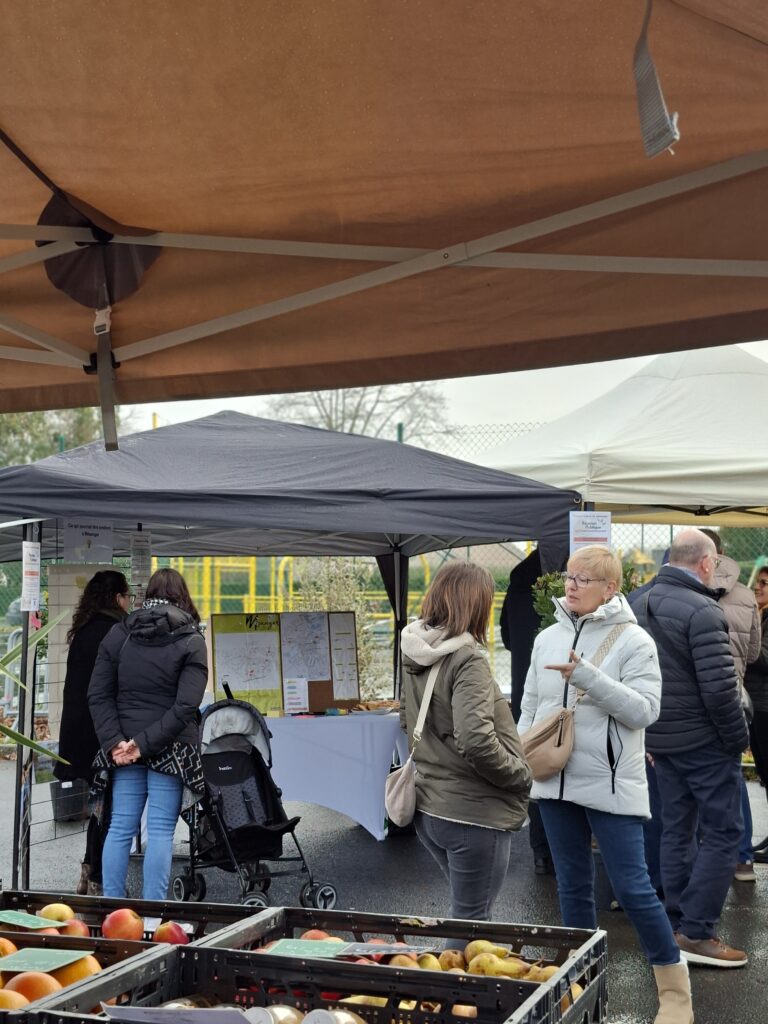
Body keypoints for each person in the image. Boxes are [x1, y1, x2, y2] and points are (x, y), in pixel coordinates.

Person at [519, 545, 693, 1024]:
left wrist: (588, 677)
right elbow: (530, 707)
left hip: (611, 785)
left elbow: (645, 711)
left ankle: (675, 996)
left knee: (633, 889)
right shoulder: (547, 638)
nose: (571, 585)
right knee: (572, 888)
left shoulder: (634, 640)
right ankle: (583, 992)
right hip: (553, 783)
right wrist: (520, 752)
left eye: (583, 579)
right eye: (569, 576)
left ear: (610, 588)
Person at [633, 529, 749, 968]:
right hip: (705, 742)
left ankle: (676, 925)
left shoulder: (636, 603)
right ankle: (697, 932)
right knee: (723, 832)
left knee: (676, 829)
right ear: (706, 563)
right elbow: (720, 692)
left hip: (660, 739)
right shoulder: (703, 609)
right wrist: (738, 740)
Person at [399, 561, 531, 943]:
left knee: (466, 915)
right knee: (471, 922)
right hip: (472, 813)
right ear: (477, 605)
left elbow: (408, 721)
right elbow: (475, 740)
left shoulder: (416, 649)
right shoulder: (468, 659)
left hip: (430, 806)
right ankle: (451, 982)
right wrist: (519, 774)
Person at [88, 567, 208, 900]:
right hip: (171, 748)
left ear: (147, 595)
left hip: (124, 748)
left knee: (120, 827)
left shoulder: (118, 634)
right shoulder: (192, 640)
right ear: (182, 597)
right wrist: (143, 744)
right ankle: (155, 916)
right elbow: (186, 706)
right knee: (159, 831)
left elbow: (98, 694)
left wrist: (116, 742)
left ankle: (114, 912)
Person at [54, 570, 132, 895]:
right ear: (117, 598)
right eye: (128, 596)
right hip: (103, 732)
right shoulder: (117, 630)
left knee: (102, 805)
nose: (130, 603)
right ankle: (98, 877)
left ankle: (88, 870)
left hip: (78, 732)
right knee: (109, 808)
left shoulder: (85, 629)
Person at [698, 529, 760, 883]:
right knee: (732, 776)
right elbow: (752, 653)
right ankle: (743, 858)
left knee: (686, 778)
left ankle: (701, 857)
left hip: (691, 700)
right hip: (732, 696)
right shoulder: (747, 596)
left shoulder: (687, 592)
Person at [499, 549, 555, 876]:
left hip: (524, 693)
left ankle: (541, 853)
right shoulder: (566, 590)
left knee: (535, 766)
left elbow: (506, 637)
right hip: (559, 691)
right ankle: (563, 848)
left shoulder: (517, 584)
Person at [747, 565, 768, 861]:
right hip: (759, 704)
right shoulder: (762, 615)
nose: (758, 587)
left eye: (765, 583)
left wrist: (747, 642)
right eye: (759, 582)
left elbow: (763, 657)